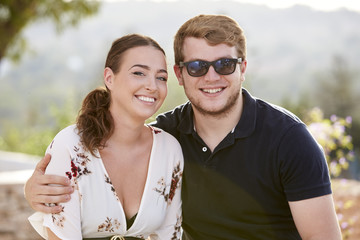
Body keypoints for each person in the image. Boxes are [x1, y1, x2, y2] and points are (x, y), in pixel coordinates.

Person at [25, 15, 342, 240]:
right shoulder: (167, 136)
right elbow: (107, 146)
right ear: (180, 74)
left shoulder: (288, 140)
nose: (212, 76)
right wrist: (35, 190)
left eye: (224, 64)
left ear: (243, 68)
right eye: (197, 66)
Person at [27, 34, 184, 240]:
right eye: (139, 73)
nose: (152, 86)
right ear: (109, 78)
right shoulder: (70, 147)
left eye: (161, 77)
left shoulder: (169, 150)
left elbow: (170, 235)